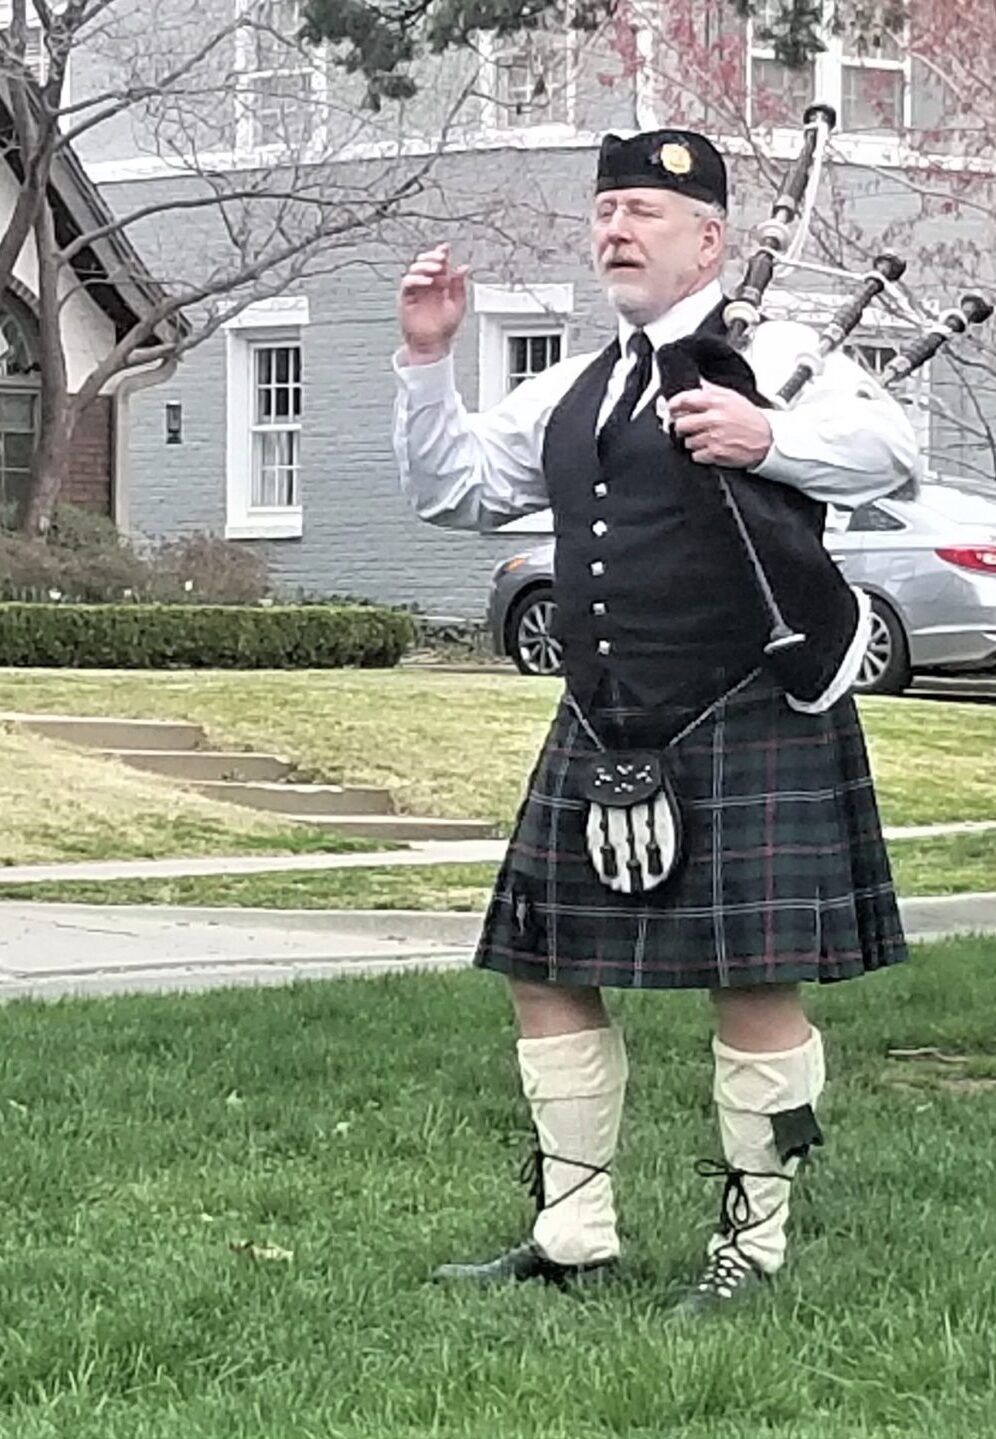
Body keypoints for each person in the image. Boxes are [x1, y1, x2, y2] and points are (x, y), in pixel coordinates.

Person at [392, 128, 919, 1311]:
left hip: (748, 705)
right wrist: (427, 364)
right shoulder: (583, 383)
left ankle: (755, 1244)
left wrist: (769, 437)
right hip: (606, 715)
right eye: (605, 212)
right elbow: (455, 491)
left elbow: (894, 452)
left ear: (709, 238)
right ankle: (573, 1233)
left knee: (754, 980)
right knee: (542, 968)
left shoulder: (774, 352)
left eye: (640, 212)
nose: (614, 231)